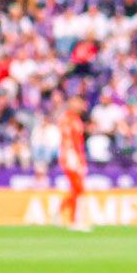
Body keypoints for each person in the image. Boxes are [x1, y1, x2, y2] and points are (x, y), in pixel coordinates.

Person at [58, 98, 90, 232]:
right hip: (72, 157)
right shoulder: (73, 120)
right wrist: (80, 160)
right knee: (79, 188)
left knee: (76, 189)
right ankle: (74, 220)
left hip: (68, 156)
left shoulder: (66, 118)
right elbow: (76, 143)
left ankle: (60, 211)